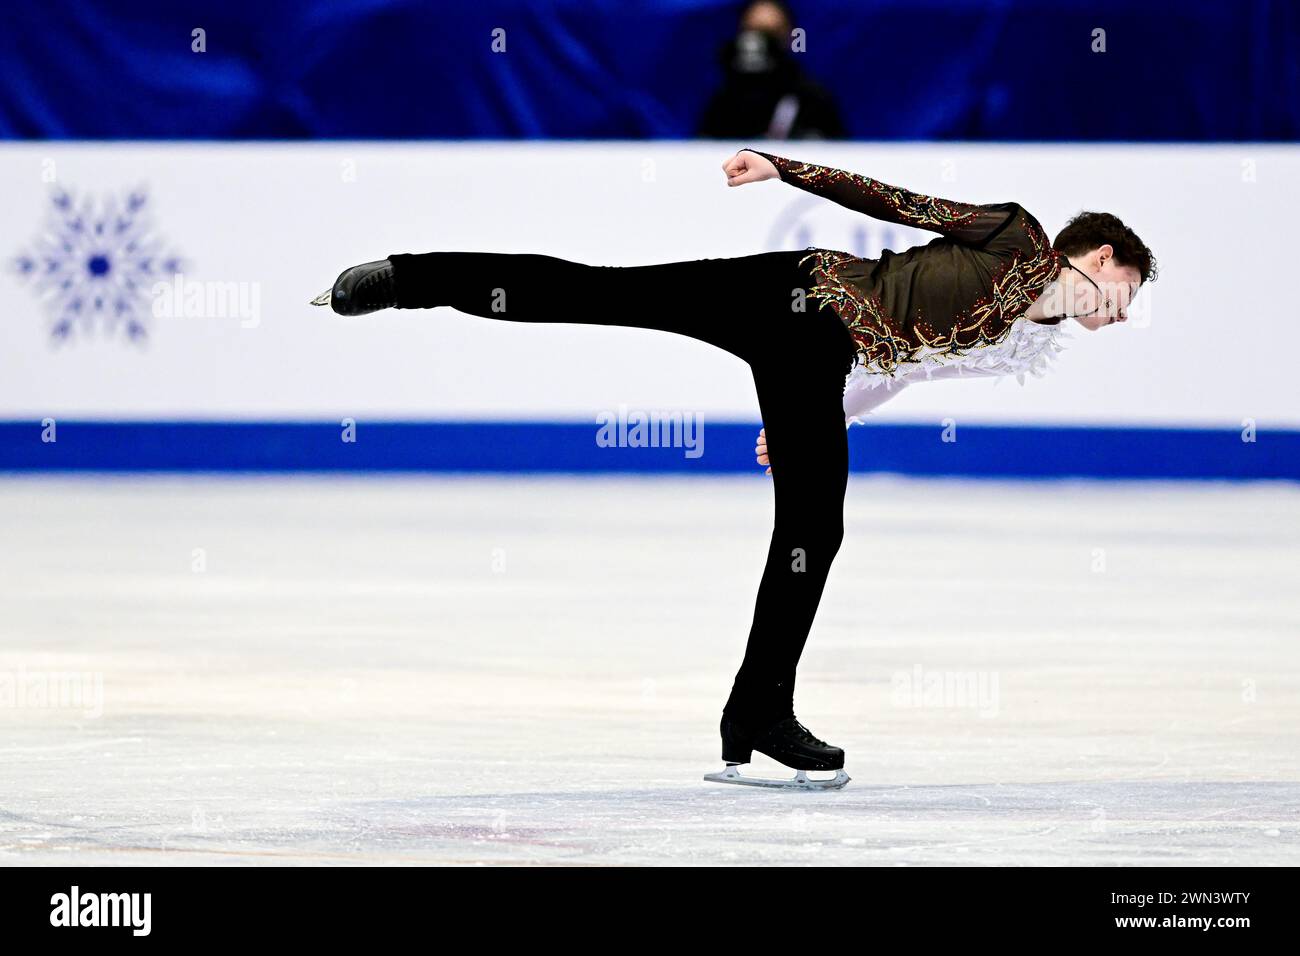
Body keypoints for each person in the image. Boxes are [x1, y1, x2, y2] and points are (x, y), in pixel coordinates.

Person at [311, 148, 1156, 790]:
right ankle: (406, 278)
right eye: (1127, 288)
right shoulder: (1016, 234)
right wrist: (782, 168)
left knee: (814, 531)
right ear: (1101, 255)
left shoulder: (1024, 344)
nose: (1123, 313)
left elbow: (909, 364)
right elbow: (893, 201)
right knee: (601, 293)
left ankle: (757, 712)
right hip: (790, 294)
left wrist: (820, 417)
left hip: (818, 367)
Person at [698, 1, 846, 140]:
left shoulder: (811, 98)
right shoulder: (724, 100)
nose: (759, 44)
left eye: (771, 33)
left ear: (790, 37)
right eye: (753, 31)